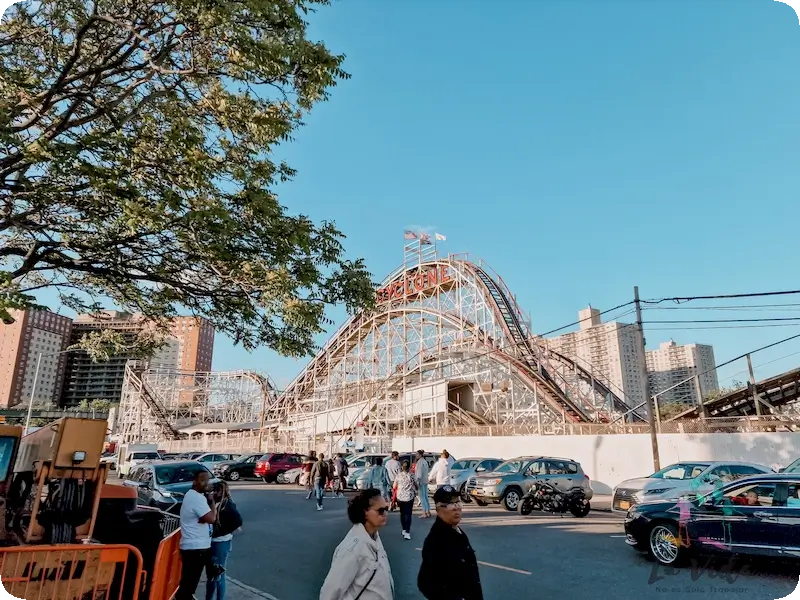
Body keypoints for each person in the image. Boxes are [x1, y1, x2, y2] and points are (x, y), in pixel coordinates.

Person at [320, 489, 394, 600]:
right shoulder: (351, 549)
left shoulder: (374, 537)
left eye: (386, 509)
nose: (385, 514)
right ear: (365, 512)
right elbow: (331, 591)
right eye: (381, 510)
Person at [417, 485, 483, 600]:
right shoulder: (435, 540)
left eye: (457, 502)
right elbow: (425, 583)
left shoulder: (457, 531)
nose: (456, 508)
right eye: (450, 504)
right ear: (438, 509)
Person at [176, 469, 217, 600]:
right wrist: (213, 503)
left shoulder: (194, 495)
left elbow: (203, 518)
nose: (206, 483)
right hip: (195, 548)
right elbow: (211, 518)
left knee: (189, 584)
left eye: (208, 480)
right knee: (188, 585)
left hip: (197, 547)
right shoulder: (196, 498)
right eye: (203, 480)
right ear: (194, 482)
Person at [206, 481, 243, 600]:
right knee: (212, 575)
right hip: (213, 542)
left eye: (216, 491)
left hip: (221, 542)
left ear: (221, 491)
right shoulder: (216, 503)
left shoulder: (227, 504)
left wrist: (221, 531)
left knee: (219, 574)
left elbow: (237, 521)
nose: (213, 493)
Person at [393, 461, 417, 540]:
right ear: (409, 467)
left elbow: (394, 486)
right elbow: (416, 486)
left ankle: (403, 529)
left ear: (402, 468)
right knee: (408, 514)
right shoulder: (412, 475)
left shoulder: (398, 476)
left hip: (400, 497)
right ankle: (407, 532)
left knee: (402, 513)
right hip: (409, 496)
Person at [414, 450, 431, 518]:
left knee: (422, 497)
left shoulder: (420, 462)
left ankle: (424, 512)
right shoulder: (424, 461)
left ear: (420, 455)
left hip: (421, 481)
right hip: (425, 480)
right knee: (425, 496)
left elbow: (419, 474)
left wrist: (417, 481)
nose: (416, 455)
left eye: (417, 454)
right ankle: (428, 511)